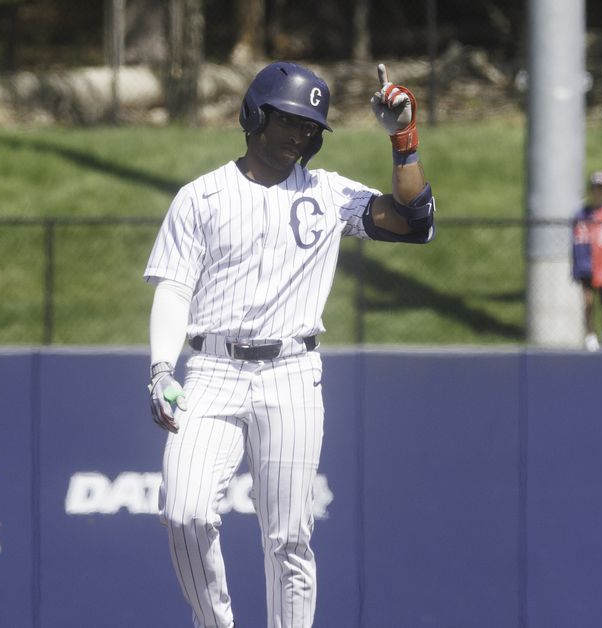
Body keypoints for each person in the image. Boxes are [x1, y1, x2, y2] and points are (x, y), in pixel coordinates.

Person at [143, 61, 435, 628]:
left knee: (288, 536)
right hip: (212, 367)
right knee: (184, 513)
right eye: (290, 120)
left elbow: (413, 221)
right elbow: (173, 290)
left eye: (310, 127)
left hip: (292, 372)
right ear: (255, 115)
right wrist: (160, 369)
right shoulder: (201, 197)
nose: (300, 134)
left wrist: (403, 139)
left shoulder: (328, 193)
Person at [571, 170, 602, 351]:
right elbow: (578, 239)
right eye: (595, 188)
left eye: (601, 188)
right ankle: (590, 336)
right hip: (587, 263)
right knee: (588, 301)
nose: (598, 191)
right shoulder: (581, 214)